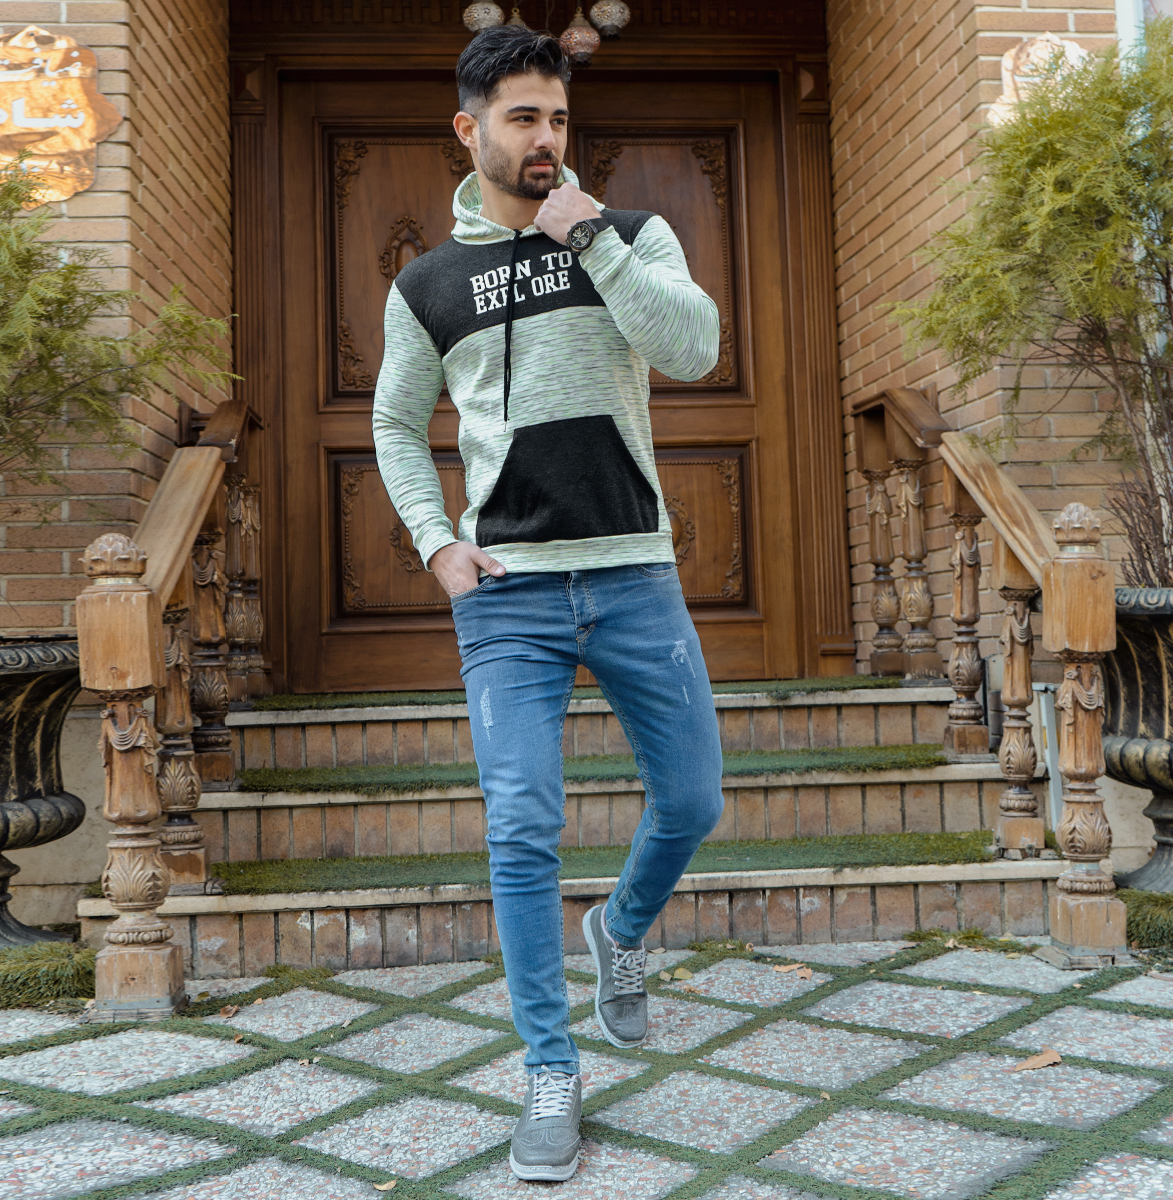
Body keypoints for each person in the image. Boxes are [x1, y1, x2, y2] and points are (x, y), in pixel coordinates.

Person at [372, 24, 724, 1182]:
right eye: (523, 117)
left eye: (559, 118)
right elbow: (395, 423)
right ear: (468, 129)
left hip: (634, 574)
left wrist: (591, 239)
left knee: (693, 801)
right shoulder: (427, 284)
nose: (546, 138)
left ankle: (618, 929)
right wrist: (436, 545)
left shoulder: (629, 234)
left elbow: (694, 349)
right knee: (522, 826)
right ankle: (549, 1068)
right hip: (508, 593)